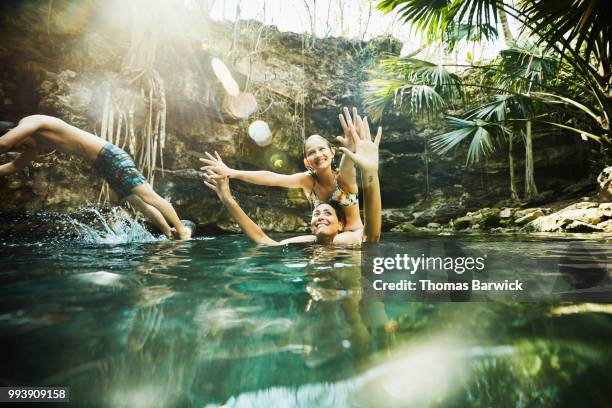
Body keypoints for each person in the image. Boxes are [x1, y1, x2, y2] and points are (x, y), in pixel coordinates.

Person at [0, 115, 191, 240]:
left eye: (19, 145)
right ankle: (168, 233)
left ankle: (182, 232)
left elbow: (4, 143)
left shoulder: (31, 122)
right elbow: (15, 166)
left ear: (13, 131)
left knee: (149, 196)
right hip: (102, 164)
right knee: (137, 203)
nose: (20, 150)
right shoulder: (33, 143)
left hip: (110, 155)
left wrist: (9, 144)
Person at [203, 113, 382, 246]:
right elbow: (272, 178)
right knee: (273, 244)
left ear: (332, 152)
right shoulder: (307, 181)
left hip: (354, 235)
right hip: (324, 236)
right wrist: (231, 172)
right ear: (306, 161)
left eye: (322, 149)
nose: (318, 155)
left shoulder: (342, 180)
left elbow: (347, 167)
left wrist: (352, 151)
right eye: (312, 152)